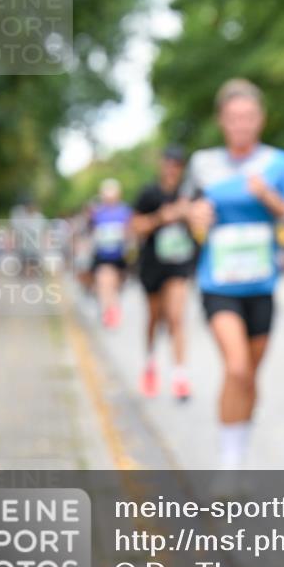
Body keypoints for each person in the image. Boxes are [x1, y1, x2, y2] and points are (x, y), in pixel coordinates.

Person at [184, 78, 284, 471]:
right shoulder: (203, 164)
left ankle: (239, 444)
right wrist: (194, 216)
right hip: (217, 282)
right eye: (234, 118)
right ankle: (229, 463)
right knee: (235, 367)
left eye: (249, 117)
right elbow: (188, 214)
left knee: (249, 376)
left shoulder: (280, 163)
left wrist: (268, 196)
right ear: (222, 121)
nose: (242, 125)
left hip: (261, 283)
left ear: (261, 120)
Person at [132, 145, 195, 400]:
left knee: (176, 317)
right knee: (154, 319)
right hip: (152, 265)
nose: (172, 169)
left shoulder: (188, 194)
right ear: (161, 165)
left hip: (178, 265)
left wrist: (187, 214)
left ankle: (180, 376)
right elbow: (136, 226)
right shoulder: (148, 193)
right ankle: (149, 363)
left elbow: (203, 224)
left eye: (177, 164)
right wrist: (161, 217)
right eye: (168, 163)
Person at [89, 179, 132, 328]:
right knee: (104, 283)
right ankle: (108, 312)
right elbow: (92, 233)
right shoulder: (97, 213)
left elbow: (130, 232)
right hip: (103, 256)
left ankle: (112, 309)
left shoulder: (125, 211)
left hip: (120, 256)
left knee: (113, 286)